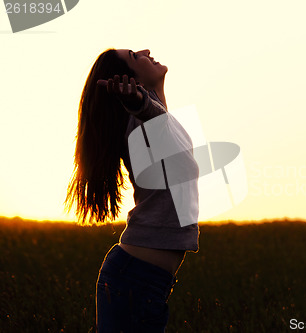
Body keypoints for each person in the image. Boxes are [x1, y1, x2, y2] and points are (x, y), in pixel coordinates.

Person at [64, 48, 199, 332]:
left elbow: (154, 114)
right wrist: (136, 100)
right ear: (130, 83)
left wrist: (147, 96)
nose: (146, 51)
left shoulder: (162, 120)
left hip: (144, 279)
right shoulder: (141, 121)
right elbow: (145, 112)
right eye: (136, 57)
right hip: (135, 279)